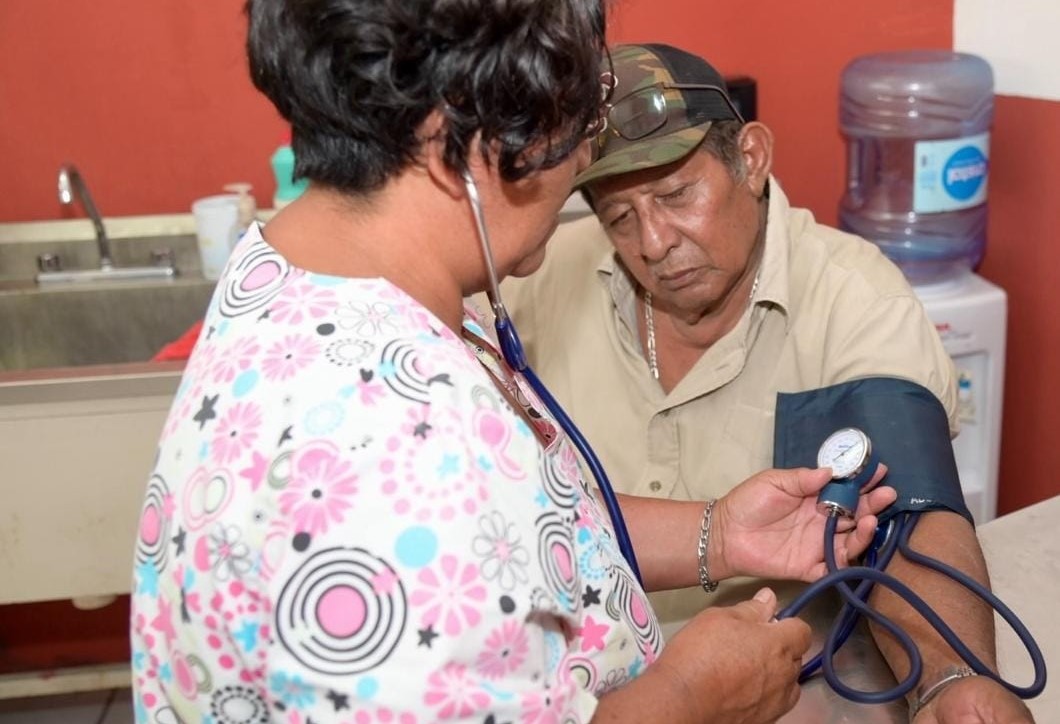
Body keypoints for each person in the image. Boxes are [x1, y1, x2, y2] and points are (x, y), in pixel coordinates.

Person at [129, 7, 896, 724]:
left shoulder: (307, 263)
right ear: (480, 128)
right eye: (585, 107)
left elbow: (516, 530)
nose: (589, 149)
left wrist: (716, 533)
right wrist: (689, 697)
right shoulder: (402, 452)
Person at [498, 43, 1035, 722]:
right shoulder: (541, 281)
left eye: (676, 194)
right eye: (620, 218)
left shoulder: (852, 297)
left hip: (778, 694)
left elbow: (910, 513)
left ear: (750, 158)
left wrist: (952, 679)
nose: (655, 244)